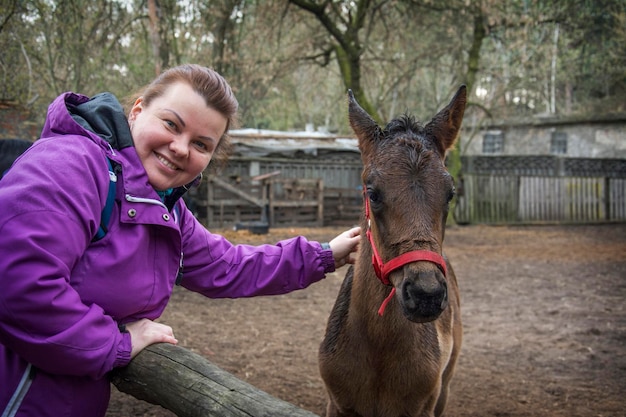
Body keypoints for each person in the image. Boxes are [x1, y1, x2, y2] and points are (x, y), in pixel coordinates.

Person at [0, 64, 361, 417]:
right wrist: (117, 344)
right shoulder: (71, 167)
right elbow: (19, 286)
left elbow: (227, 265)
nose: (181, 148)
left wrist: (326, 254)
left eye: (202, 144)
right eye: (171, 124)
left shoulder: (163, 208)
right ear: (138, 110)